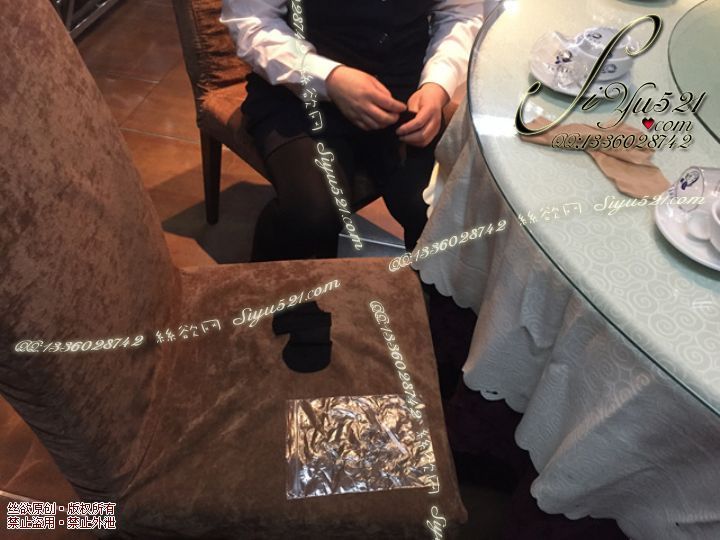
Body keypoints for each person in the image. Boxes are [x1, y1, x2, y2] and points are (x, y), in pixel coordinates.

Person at [221, 0, 484, 261]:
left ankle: (421, 286)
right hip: (300, 93)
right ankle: (265, 280)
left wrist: (437, 84)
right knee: (311, 215)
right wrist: (328, 77)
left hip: (405, 91)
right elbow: (252, 23)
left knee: (437, 210)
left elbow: (461, 13)